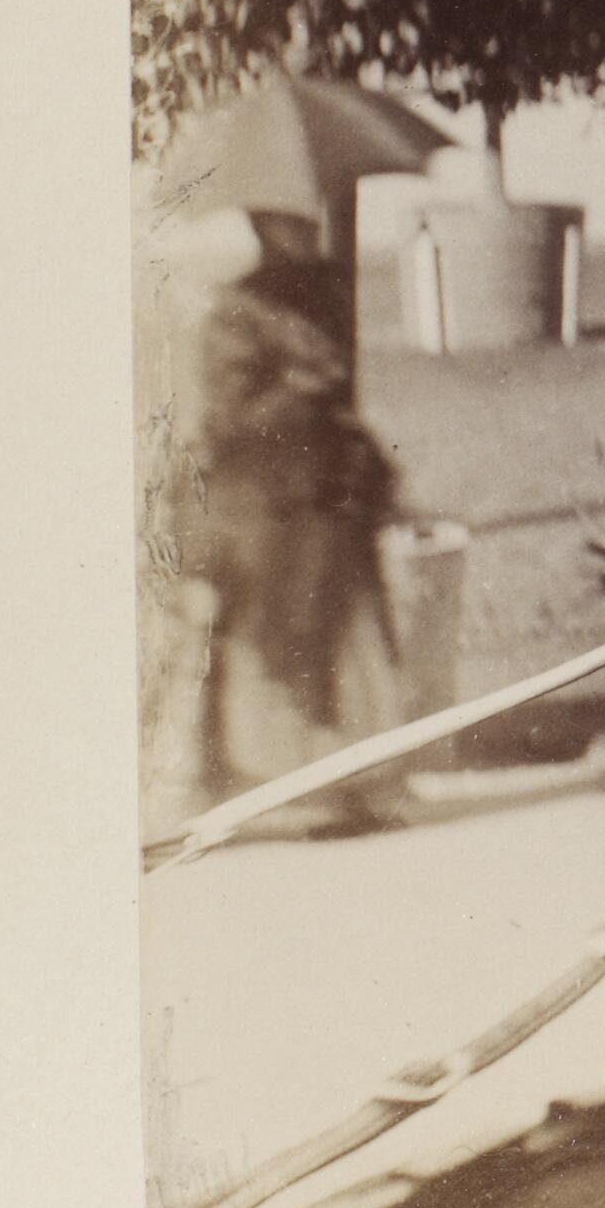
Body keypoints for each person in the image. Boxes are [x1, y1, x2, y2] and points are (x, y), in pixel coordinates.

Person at [175, 210, 405, 821]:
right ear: (263, 230)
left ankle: (352, 784)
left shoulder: (327, 293)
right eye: (286, 227)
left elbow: (338, 392)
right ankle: (283, 789)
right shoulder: (236, 309)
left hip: (328, 493)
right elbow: (228, 419)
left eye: (306, 226)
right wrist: (294, 391)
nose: (304, 237)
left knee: (341, 634)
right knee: (278, 634)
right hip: (266, 502)